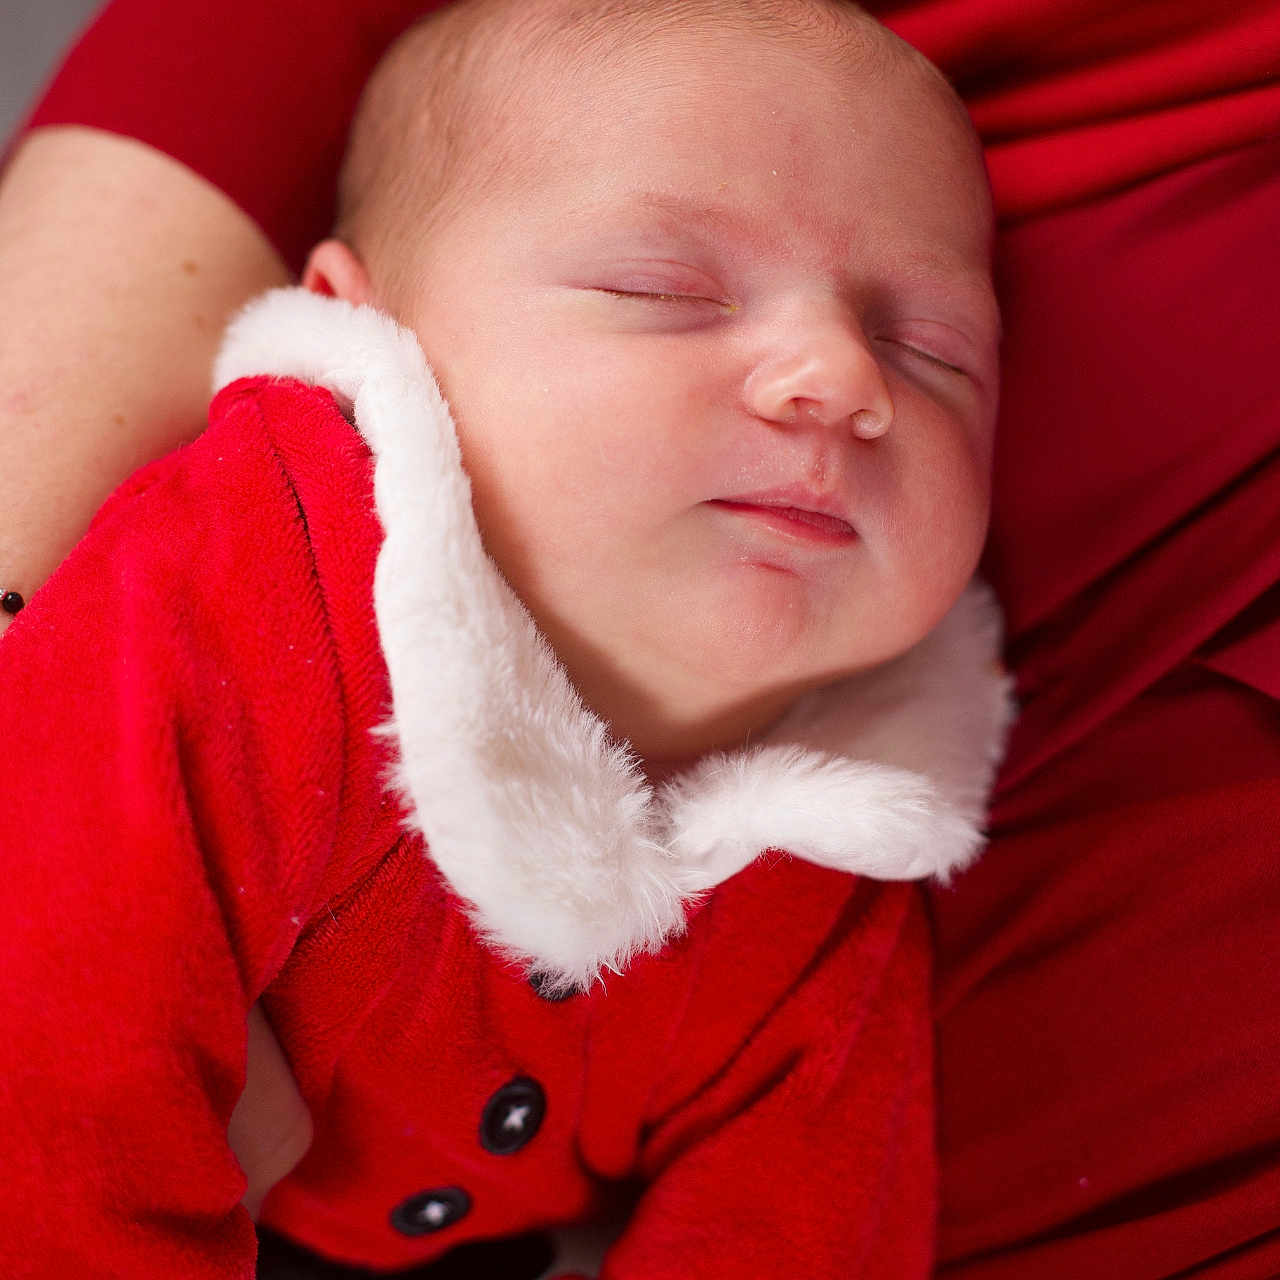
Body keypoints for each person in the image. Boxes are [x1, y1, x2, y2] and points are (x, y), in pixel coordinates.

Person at [2, 0, 1276, 1277]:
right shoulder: (244, 587)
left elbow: (791, 1219)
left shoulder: (834, 856)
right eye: (663, 290)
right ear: (365, 330)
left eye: (929, 349)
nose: (837, 374)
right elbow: (49, 1047)